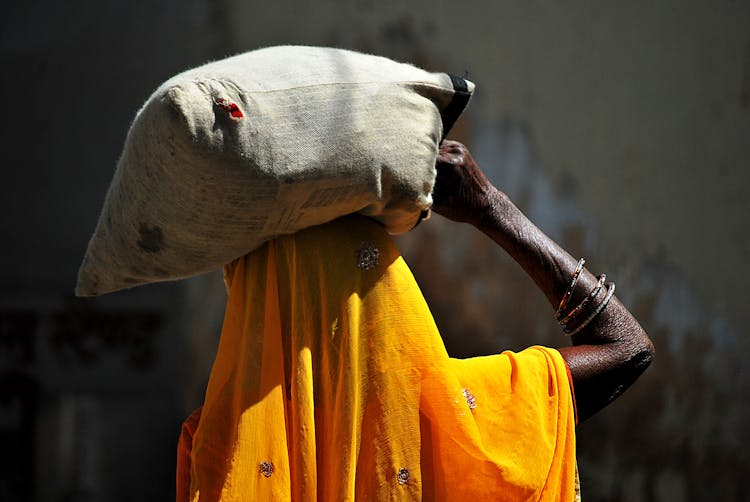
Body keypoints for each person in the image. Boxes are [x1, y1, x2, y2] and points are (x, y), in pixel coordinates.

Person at [175, 140, 654, 501]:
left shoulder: (214, 445)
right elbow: (626, 348)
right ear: (387, 289)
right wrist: (491, 208)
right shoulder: (453, 420)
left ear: (248, 297)